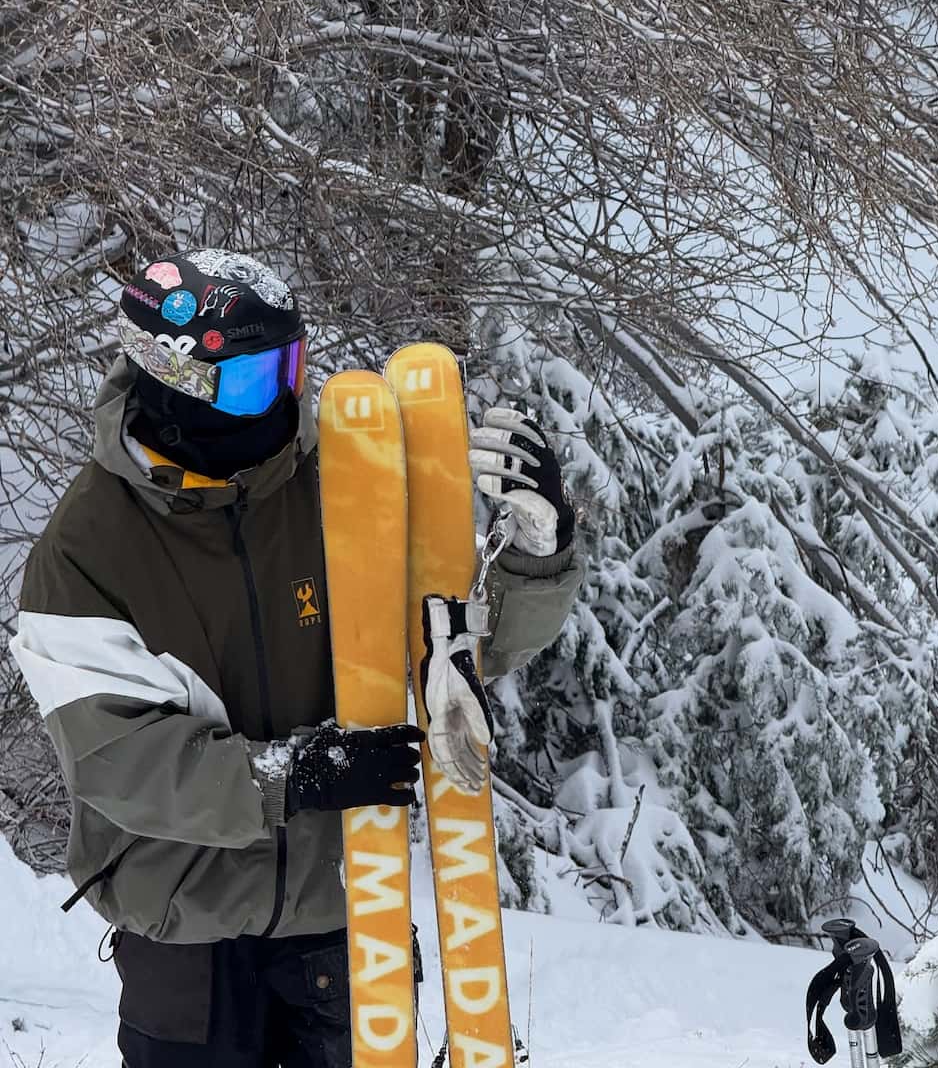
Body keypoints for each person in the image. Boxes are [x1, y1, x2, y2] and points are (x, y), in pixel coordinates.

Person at [10, 249, 582, 1068]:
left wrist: (537, 557)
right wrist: (289, 777)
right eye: (251, 382)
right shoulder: (88, 546)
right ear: (174, 390)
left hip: (345, 918)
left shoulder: (345, 484)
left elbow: (452, 656)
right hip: (185, 936)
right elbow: (117, 759)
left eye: (290, 369)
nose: (281, 402)